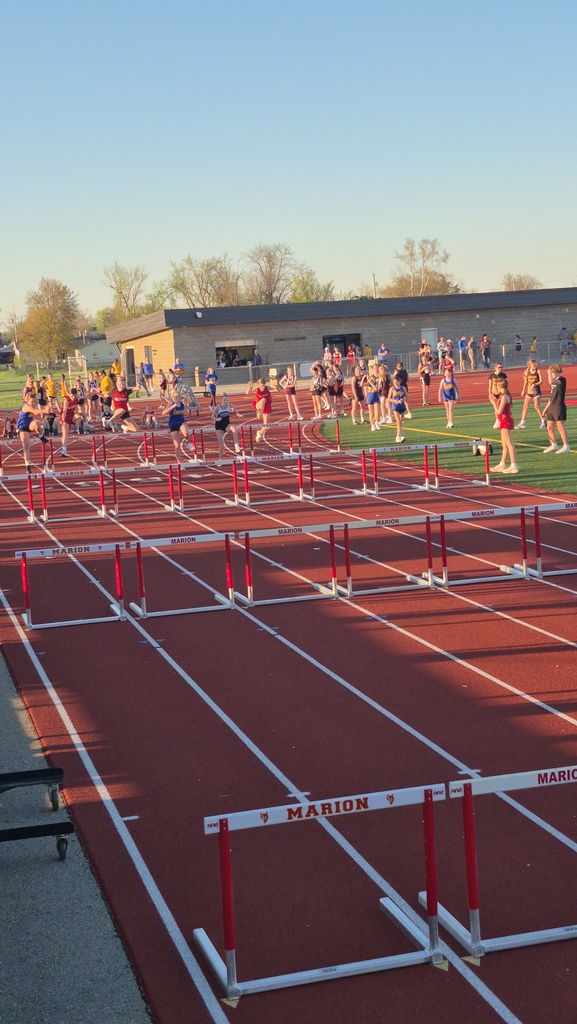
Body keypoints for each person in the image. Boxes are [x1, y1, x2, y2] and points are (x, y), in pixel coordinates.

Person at [157, 387, 194, 461]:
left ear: (180, 398)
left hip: (181, 422)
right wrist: (173, 406)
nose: (176, 398)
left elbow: (183, 411)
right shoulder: (171, 404)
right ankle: (179, 462)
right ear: (172, 398)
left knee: (186, 433)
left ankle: (187, 443)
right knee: (177, 446)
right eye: (174, 397)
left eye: (177, 397)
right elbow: (163, 413)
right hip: (173, 424)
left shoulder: (182, 404)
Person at [491, 380, 518, 473]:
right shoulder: (503, 396)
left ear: (500, 387)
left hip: (505, 420)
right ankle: (502, 464)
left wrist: (493, 403)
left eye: (497, 386)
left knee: (509, 444)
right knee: (504, 444)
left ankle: (514, 465)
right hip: (503, 420)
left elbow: (499, 411)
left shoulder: (505, 396)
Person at [542, 365, 570, 454]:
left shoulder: (562, 380)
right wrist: (546, 408)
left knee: (560, 426)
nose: (551, 374)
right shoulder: (554, 382)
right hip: (552, 406)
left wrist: (549, 372)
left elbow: (551, 382)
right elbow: (551, 396)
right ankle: (554, 444)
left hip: (559, 405)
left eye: (553, 372)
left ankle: (566, 446)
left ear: (557, 371)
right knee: (549, 427)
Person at [17, 395, 48, 467]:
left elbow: (37, 410)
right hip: (22, 427)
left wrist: (46, 407)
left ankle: (41, 436)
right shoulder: (27, 407)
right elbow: (36, 412)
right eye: (32, 402)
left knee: (37, 423)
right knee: (26, 445)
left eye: (35, 402)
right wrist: (45, 410)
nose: (33, 403)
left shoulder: (32, 405)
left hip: (30, 425)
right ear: (27, 401)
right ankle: (27, 464)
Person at [211, 392, 242, 464]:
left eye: (227, 400)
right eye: (224, 400)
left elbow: (235, 410)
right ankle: (220, 459)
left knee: (234, 429)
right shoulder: (217, 407)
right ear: (221, 400)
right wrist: (217, 419)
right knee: (221, 444)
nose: (226, 402)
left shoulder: (230, 405)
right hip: (219, 426)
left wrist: (238, 415)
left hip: (227, 424)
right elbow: (212, 416)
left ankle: (236, 445)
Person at [516, 359, 545, 429]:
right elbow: (525, 381)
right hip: (529, 391)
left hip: (536, 391)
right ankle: (522, 422)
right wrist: (523, 390)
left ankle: (543, 421)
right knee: (525, 406)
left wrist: (535, 384)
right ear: (530, 365)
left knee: (537, 407)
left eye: (536, 364)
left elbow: (541, 381)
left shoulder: (538, 371)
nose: (535, 365)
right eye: (534, 364)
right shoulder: (527, 371)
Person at [246, 378, 272, 442]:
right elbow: (247, 393)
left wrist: (276, 387)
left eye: (263, 386)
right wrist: (249, 387)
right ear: (258, 385)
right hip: (259, 405)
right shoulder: (257, 390)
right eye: (261, 386)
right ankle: (259, 412)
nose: (262, 387)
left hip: (267, 406)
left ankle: (259, 433)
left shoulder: (267, 388)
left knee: (266, 426)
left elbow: (275, 388)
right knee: (263, 399)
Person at [60, 388, 81, 457]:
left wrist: (96, 392)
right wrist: (63, 420)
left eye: (74, 396)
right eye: (72, 396)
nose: (73, 397)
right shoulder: (66, 400)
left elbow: (87, 396)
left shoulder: (77, 398)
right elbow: (64, 411)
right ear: (69, 395)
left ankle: (85, 424)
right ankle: (64, 449)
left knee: (81, 412)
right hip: (65, 417)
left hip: (72, 417)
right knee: (65, 433)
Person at [389, 374, 408, 443]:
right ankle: (398, 436)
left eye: (397, 382)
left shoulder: (403, 388)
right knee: (398, 422)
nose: (396, 383)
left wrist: (402, 400)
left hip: (402, 406)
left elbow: (407, 397)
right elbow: (388, 398)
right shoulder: (392, 389)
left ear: (400, 381)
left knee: (400, 422)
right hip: (395, 407)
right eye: (395, 382)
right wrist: (395, 401)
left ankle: (400, 435)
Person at [488, 362, 508, 428]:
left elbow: (505, 384)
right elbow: (490, 385)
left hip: (500, 393)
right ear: (495, 368)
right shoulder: (492, 375)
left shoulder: (503, 375)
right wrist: (490, 393)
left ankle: (500, 419)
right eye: (499, 367)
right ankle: (497, 420)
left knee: (500, 407)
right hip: (494, 393)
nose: (500, 369)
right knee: (496, 407)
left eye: (501, 367)